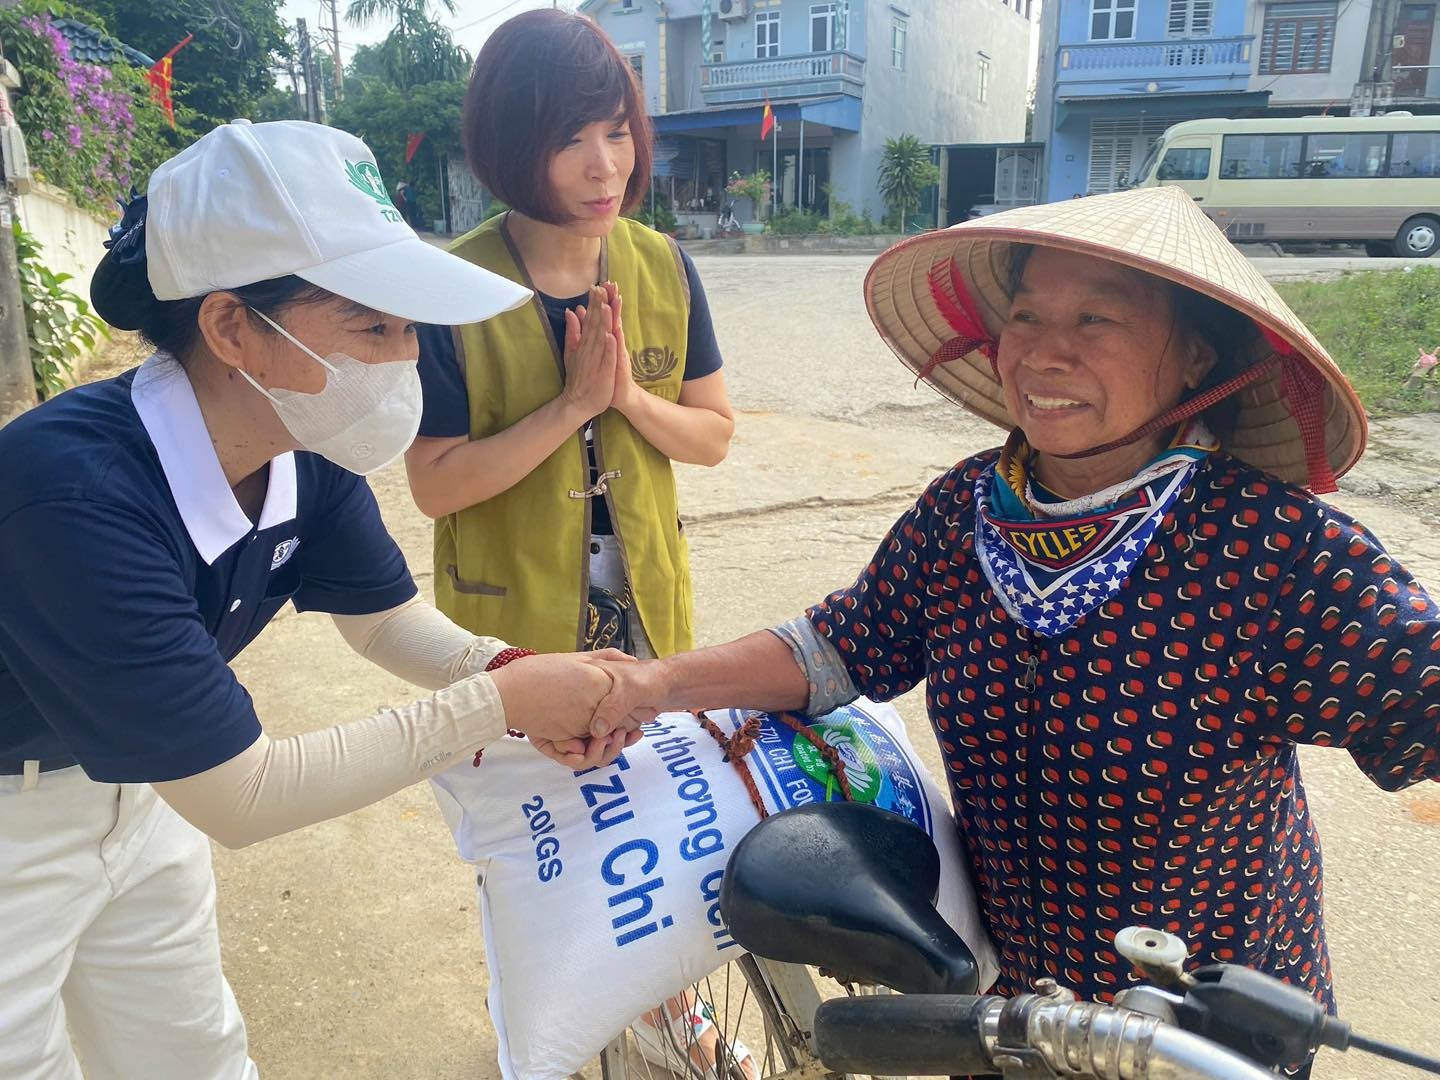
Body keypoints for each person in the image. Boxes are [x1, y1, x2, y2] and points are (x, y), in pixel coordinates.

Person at [587, 185, 1440, 1076]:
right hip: (1009, 1016)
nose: (1044, 353)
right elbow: (839, 645)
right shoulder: (963, 512)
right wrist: (653, 685)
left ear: (1194, 358)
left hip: (1200, 1029)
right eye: (1027, 316)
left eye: (1096, 321)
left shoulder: (1272, 549)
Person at [0, 119, 640, 1080]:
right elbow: (242, 792)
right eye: (373, 325)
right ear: (230, 328)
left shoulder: (300, 444)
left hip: (142, 795)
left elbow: (382, 617)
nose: (405, 359)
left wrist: (513, 667)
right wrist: (502, 704)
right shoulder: (70, 495)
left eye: (409, 325)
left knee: (192, 1053)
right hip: (16, 818)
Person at [402, 10, 739, 1073]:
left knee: (654, 814)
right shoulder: (450, 290)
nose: (605, 166)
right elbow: (433, 481)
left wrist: (627, 397)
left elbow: (714, 433)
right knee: (534, 842)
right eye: (569, 138)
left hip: (640, 603)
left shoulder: (663, 266)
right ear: (513, 144)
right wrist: (563, 410)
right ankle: (546, 1031)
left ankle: (668, 1008)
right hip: (510, 616)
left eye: (617, 131)